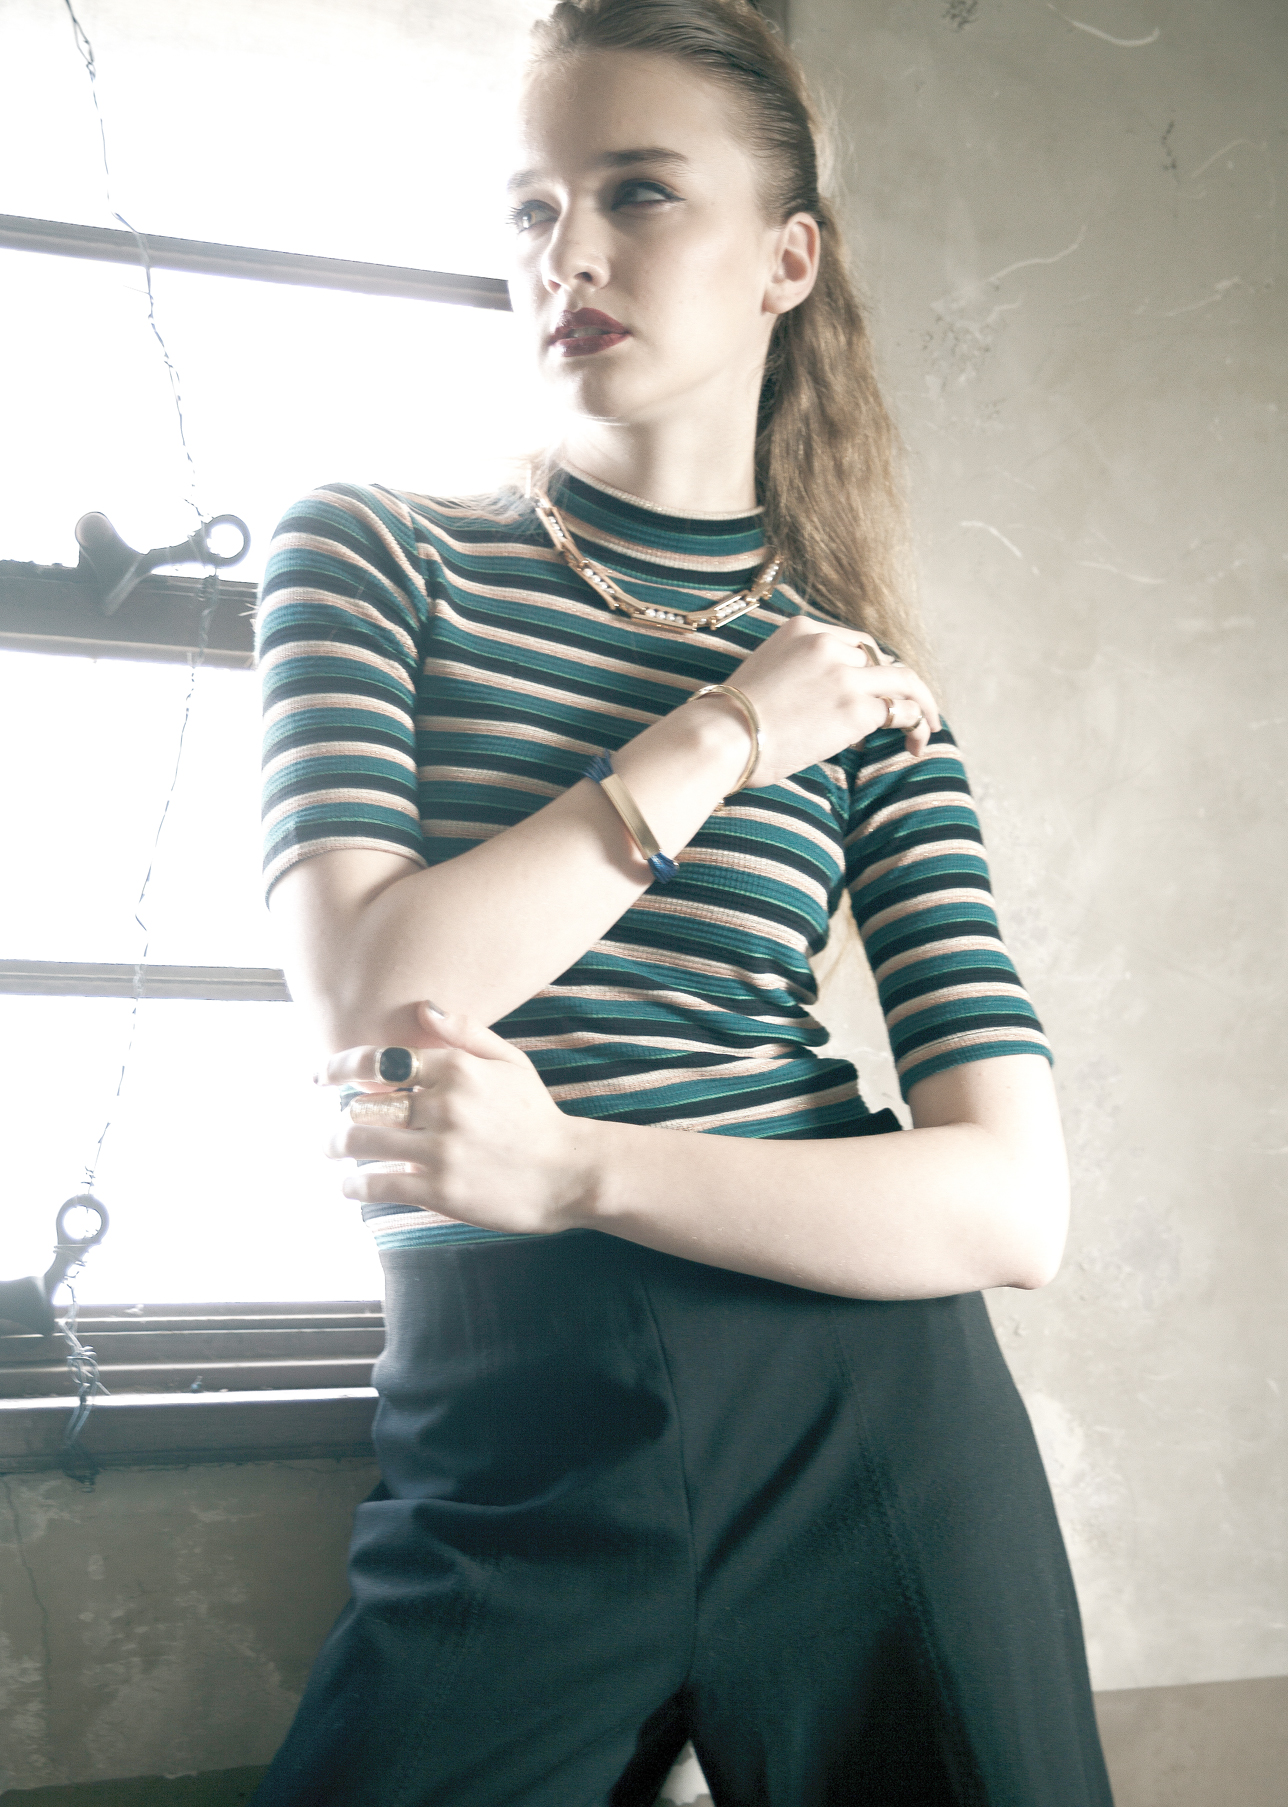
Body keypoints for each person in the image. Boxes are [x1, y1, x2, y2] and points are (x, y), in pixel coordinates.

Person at [251, 2, 1114, 1802]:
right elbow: (367, 1002)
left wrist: (578, 1167)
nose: (565, 253)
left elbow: (1011, 1200)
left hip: (867, 1412)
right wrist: (717, 738)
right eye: (532, 208)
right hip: (510, 1412)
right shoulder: (371, 551)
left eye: (637, 192)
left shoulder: (859, 690)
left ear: (788, 259)